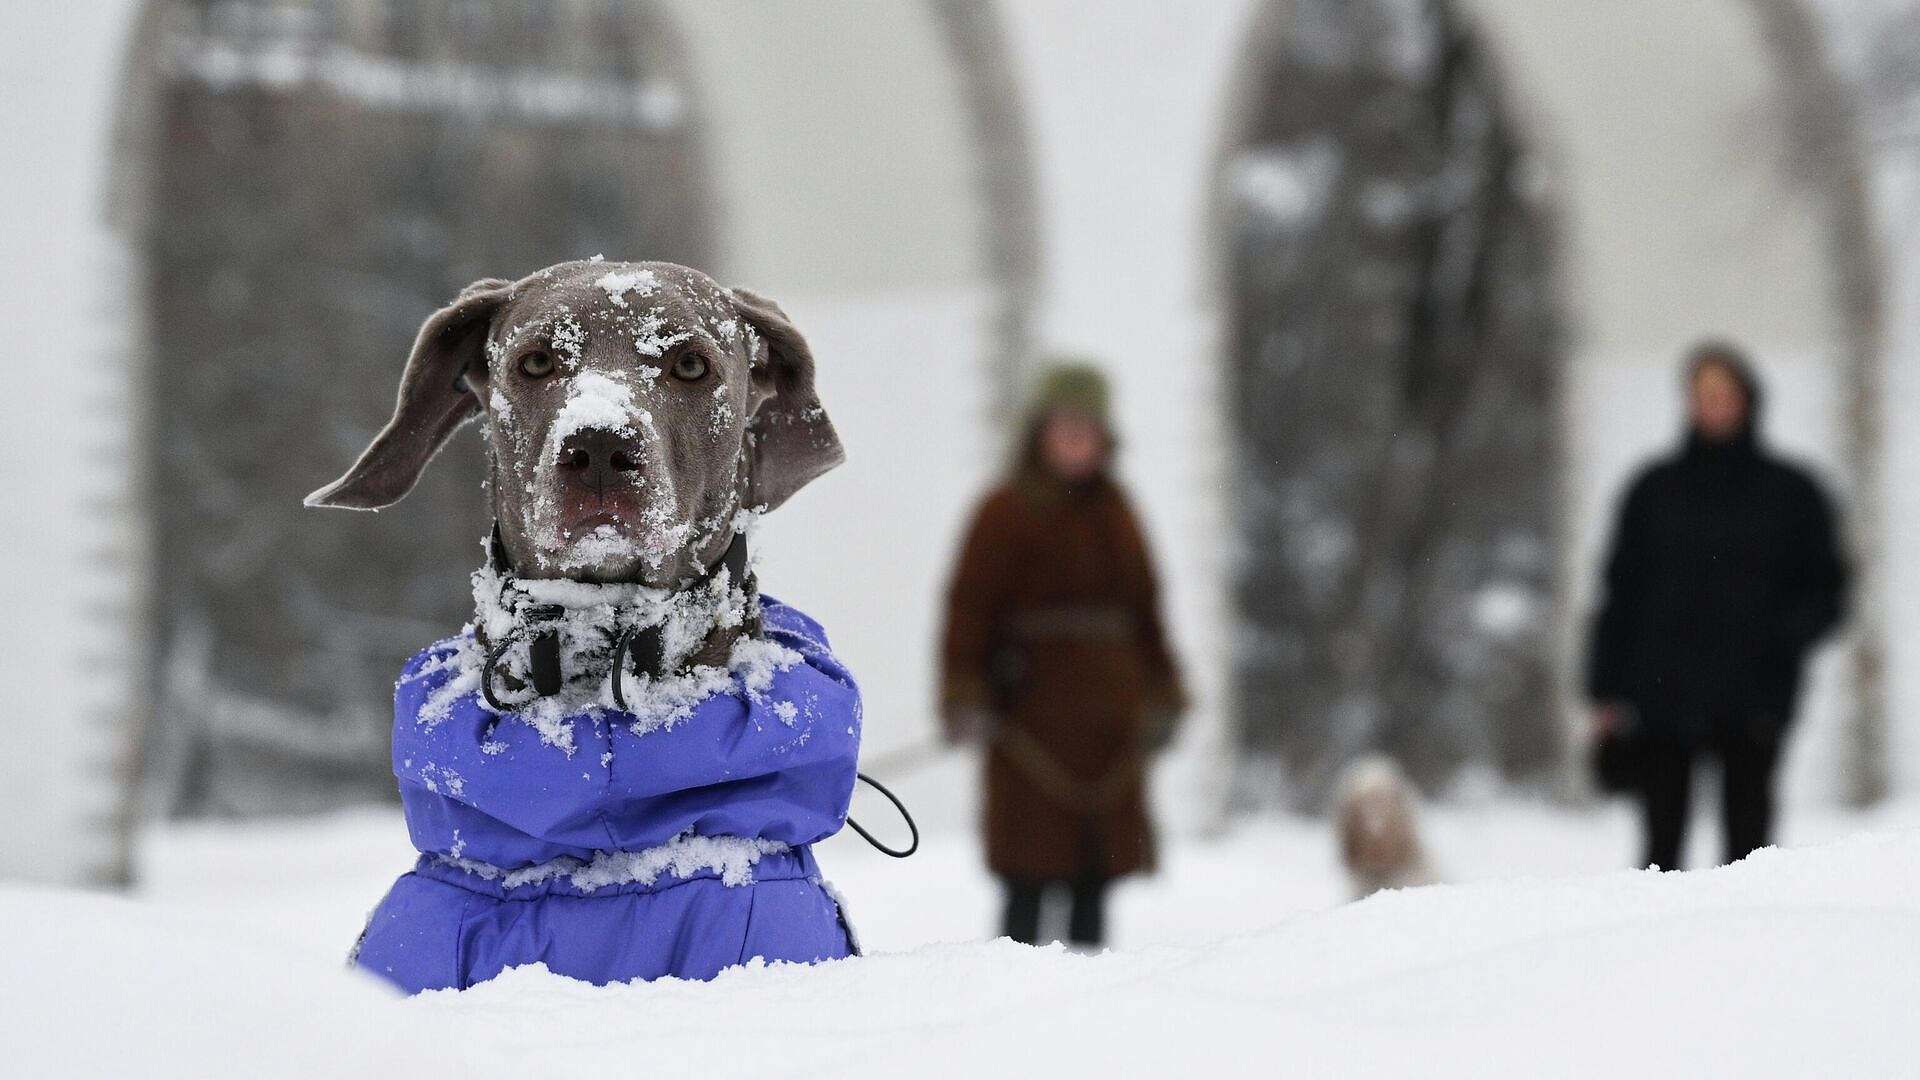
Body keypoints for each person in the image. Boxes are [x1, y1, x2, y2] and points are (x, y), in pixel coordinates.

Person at [939, 362, 1186, 948]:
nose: (1076, 439)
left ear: (1105, 438)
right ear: (1038, 433)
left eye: (1088, 427)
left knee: (1093, 884)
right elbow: (968, 612)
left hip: (1109, 733)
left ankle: (1089, 1013)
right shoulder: (1001, 513)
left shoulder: (1119, 515)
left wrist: (1164, 694)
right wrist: (966, 694)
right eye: (1064, 425)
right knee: (1025, 883)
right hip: (1027, 726)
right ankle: (1015, 1011)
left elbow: (1147, 615)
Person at [1587, 342, 1847, 870]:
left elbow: (1828, 589)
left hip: (1755, 698)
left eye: (1725, 394)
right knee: (1660, 854)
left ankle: (1749, 950)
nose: (1714, 406)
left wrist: (1781, 639)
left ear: (1748, 400)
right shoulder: (1652, 490)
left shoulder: (1791, 493)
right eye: (1703, 394)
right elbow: (1619, 594)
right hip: (1660, 697)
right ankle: (1652, 948)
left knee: (1750, 852)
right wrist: (1604, 689)